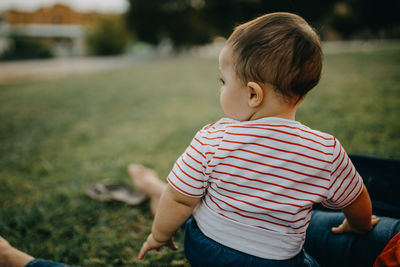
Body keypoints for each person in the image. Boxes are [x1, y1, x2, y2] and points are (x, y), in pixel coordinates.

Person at [136, 12, 380, 266]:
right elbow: (355, 197)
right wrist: (359, 225)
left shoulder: (214, 137)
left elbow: (179, 197)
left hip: (208, 249)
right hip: (278, 260)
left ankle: (152, 187)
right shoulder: (325, 151)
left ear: (253, 94)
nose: (221, 88)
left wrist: (159, 234)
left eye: (224, 81)